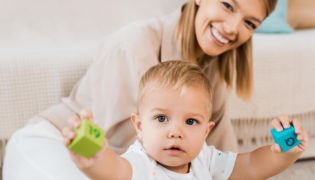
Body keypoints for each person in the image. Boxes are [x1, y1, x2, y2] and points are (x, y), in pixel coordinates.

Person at [3, 0, 278, 179]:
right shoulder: (136, 44)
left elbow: (220, 156)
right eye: (228, 5)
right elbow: (118, 152)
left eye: (249, 23)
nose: (232, 28)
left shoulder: (213, 69)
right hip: (54, 144)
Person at [63, 61, 308, 180]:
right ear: (139, 126)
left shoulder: (205, 159)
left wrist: (285, 152)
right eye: (161, 118)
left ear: (206, 131)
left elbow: (252, 166)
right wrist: (94, 157)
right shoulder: (141, 164)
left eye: (191, 122)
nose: (176, 131)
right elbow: (114, 171)